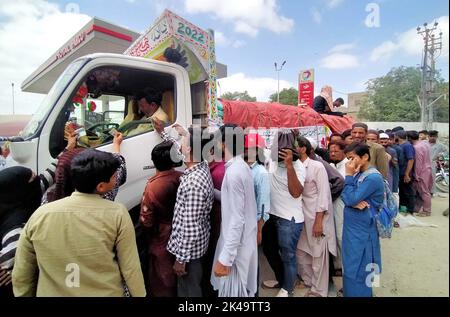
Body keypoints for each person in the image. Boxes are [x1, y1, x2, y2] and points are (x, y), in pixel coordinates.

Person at [12, 149, 146, 297]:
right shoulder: (117, 214)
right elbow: (131, 268)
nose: (116, 179)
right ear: (101, 186)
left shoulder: (40, 215)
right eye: (114, 177)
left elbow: (22, 273)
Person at [166, 126, 214, 297]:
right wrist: (171, 134)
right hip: (197, 248)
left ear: (190, 149)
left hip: (189, 254)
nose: (179, 146)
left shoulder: (193, 183)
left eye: (183, 143)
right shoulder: (202, 165)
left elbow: (190, 228)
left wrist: (181, 260)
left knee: (189, 291)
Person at [211, 124, 258, 297]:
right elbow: (233, 202)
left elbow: (238, 219)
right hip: (241, 244)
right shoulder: (241, 167)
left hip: (237, 251)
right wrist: (212, 191)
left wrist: (226, 258)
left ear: (223, 144)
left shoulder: (234, 173)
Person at [262, 129, 305, 297]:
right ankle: (283, 281)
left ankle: (288, 289)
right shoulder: (269, 159)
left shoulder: (298, 166)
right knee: (269, 250)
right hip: (271, 216)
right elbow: (254, 146)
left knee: (288, 255)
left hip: (289, 220)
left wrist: (289, 165)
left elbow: (296, 192)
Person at [140, 141, 183, 297]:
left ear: (153, 161)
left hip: (161, 237)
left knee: (162, 279)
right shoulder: (182, 177)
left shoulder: (153, 186)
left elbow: (147, 221)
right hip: (181, 235)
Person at [341, 144, 385, 297]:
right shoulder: (359, 173)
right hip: (354, 229)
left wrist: (348, 178)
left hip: (363, 230)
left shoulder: (372, 177)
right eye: (348, 159)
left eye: (352, 158)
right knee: (351, 264)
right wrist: (352, 199)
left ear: (365, 157)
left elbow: (349, 197)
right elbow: (345, 196)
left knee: (361, 266)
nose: (349, 163)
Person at [296, 136, 337, 297]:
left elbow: (324, 195)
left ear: (303, 148)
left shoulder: (316, 167)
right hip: (301, 216)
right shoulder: (294, 167)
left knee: (318, 254)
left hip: (316, 217)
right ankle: (308, 281)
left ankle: (319, 290)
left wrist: (319, 221)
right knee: (301, 251)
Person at [48, 126, 127, 203]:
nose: (115, 176)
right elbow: (119, 168)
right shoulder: (107, 197)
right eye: (113, 176)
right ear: (101, 187)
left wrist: (68, 148)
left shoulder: (47, 201)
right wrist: (116, 145)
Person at [0, 167, 42, 298]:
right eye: (32, 179)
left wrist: (65, 152)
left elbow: (44, 180)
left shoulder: (8, 206)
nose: (37, 181)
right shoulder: (16, 227)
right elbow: (12, 261)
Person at [328, 141, 348, 277]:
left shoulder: (348, 166)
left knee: (342, 237)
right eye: (331, 151)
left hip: (343, 205)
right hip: (334, 206)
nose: (333, 153)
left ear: (344, 151)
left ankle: (345, 269)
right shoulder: (331, 166)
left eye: (336, 151)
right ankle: (338, 265)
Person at [408, 131, 433, 217]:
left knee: (424, 191)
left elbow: (418, 163)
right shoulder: (424, 144)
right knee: (424, 191)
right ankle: (419, 208)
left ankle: (427, 211)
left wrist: (417, 175)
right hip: (428, 169)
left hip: (422, 171)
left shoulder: (417, 147)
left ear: (409, 139)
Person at [396, 131, 416, 215]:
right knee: (402, 192)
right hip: (401, 172)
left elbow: (410, 160)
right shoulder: (401, 145)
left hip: (405, 173)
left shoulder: (407, 146)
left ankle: (410, 210)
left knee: (408, 192)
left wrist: (407, 174)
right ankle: (403, 208)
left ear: (397, 136)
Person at [428, 130, 448, 196]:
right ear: (428, 136)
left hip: (433, 163)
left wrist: (440, 155)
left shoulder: (440, 145)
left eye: (434, 136)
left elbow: (446, 152)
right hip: (423, 163)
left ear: (436, 137)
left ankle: (431, 192)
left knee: (432, 178)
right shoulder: (424, 144)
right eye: (431, 136)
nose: (433, 138)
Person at [379, 133, 399, 197]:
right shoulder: (375, 150)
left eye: (385, 142)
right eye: (381, 142)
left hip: (388, 174)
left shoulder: (392, 151)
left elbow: (395, 165)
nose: (383, 144)